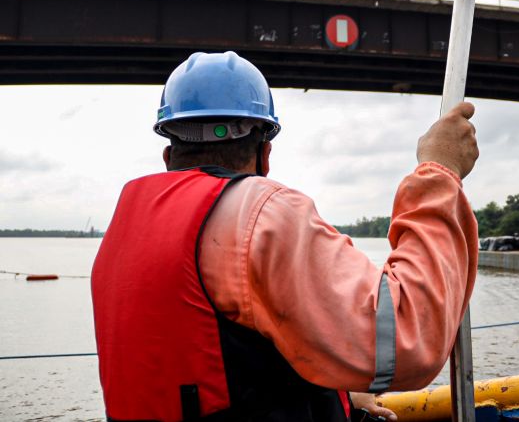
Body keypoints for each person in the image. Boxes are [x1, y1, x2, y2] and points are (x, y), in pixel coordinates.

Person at [91, 52, 480, 421]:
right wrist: (439, 173)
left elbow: (225, 361)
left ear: (167, 156)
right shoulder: (259, 215)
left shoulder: (125, 225)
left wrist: (339, 389)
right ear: (265, 153)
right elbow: (405, 341)